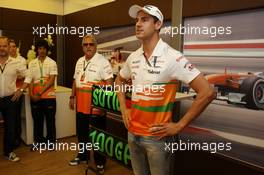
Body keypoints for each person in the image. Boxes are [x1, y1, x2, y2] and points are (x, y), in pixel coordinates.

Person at [115, 5, 215, 175]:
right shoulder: (133, 57)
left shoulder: (172, 57)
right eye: (137, 20)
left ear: (158, 24)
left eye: (144, 20)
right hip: (132, 133)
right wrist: (123, 108)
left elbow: (207, 92)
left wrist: (179, 125)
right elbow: (119, 79)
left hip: (157, 138)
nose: (138, 24)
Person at [69, 34, 113, 174]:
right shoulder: (79, 61)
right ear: (82, 47)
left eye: (91, 44)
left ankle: (100, 162)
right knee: (82, 134)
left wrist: (103, 105)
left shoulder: (103, 61)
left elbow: (110, 84)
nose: (88, 47)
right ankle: (83, 156)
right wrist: (72, 96)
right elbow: (76, 80)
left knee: (98, 136)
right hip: (81, 105)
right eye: (85, 44)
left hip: (96, 107)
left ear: (96, 46)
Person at [0, 36, 31, 161]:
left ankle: (8, 152)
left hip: (10, 100)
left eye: (4, 46)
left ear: (9, 47)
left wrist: (21, 90)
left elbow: (29, 75)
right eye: (0, 46)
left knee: (10, 128)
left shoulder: (16, 63)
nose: (2, 48)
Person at [28, 39, 57, 150]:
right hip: (35, 98)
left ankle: (51, 143)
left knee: (50, 120)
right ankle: (38, 142)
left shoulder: (52, 62)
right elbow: (30, 79)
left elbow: (51, 80)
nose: (42, 50)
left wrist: (40, 93)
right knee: (37, 121)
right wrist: (31, 94)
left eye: (44, 48)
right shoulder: (32, 63)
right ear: (37, 50)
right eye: (40, 48)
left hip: (48, 96)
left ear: (47, 50)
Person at [8, 39, 27, 148]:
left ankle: (17, 139)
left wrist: (14, 74)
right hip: (7, 92)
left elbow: (23, 76)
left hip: (19, 92)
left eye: (14, 46)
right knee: (10, 118)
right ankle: (10, 138)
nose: (13, 48)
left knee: (16, 116)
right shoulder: (5, 60)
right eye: (10, 46)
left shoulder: (22, 60)